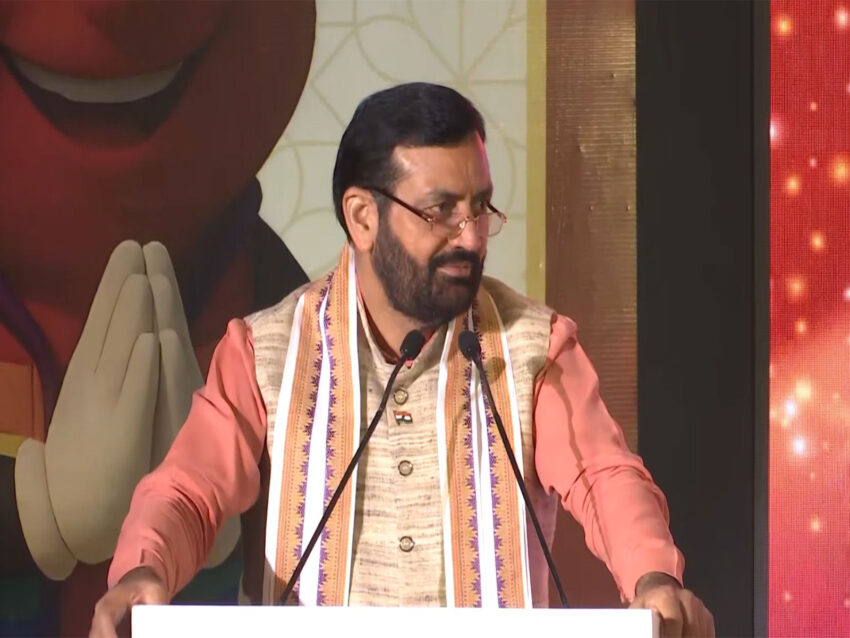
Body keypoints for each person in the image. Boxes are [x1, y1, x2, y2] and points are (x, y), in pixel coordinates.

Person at [90, 83, 714, 637]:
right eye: (440, 211)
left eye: (479, 207)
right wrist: (145, 569)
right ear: (363, 217)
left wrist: (653, 577)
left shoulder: (533, 346)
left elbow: (604, 476)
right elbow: (189, 492)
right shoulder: (266, 351)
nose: (470, 236)